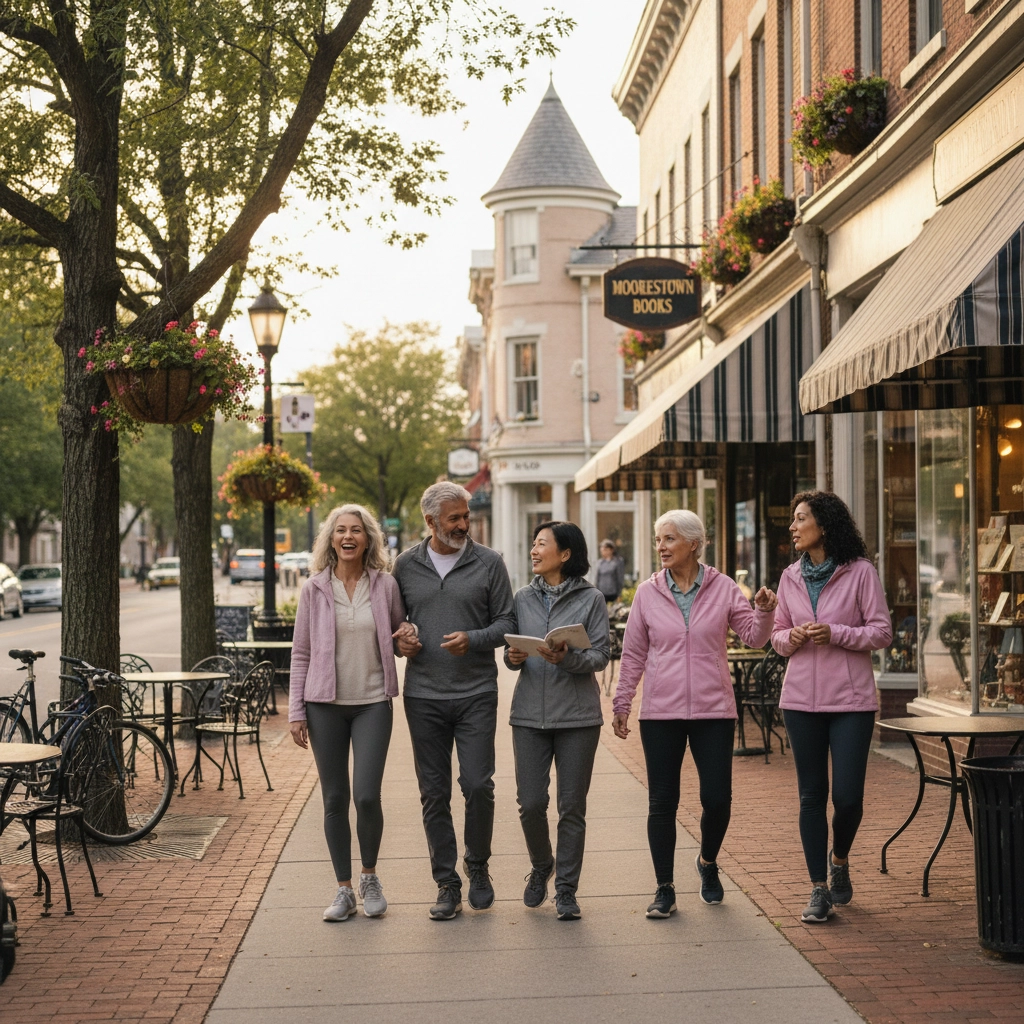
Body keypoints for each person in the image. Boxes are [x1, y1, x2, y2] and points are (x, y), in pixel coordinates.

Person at [612, 510, 778, 919]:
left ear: (693, 543)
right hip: (661, 713)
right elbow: (632, 654)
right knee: (662, 802)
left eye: (669, 539)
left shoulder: (723, 589)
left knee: (717, 799)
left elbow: (756, 639)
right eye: (658, 540)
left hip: (713, 710)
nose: (661, 547)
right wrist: (621, 703)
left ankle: (706, 861)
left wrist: (765, 610)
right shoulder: (648, 594)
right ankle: (664, 888)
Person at [393, 481, 515, 920]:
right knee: (433, 793)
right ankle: (446, 883)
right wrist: (401, 642)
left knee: (478, 785)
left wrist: (475, 639)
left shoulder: (489, 563)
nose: (464, 524)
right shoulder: (404, 566)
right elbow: (392, 626)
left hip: (476, 693)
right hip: (423, 695)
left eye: (465, 516)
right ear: (430, 522)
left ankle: (477, 865)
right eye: (455, 519)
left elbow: (506, 621)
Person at [289, 504, 414, 923]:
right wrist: (296, 711)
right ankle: (343, 889)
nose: (348, 536)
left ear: (368, 539)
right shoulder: (314, 589)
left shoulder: (385, 586)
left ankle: (370, 877)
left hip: (373, 702)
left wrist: (408, 636)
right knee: (335, 798)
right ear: (331, 539)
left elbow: (399, 637)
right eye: (340, 530)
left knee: (365, 794)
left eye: (356, 530)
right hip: (324, 706)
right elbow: (301, 653)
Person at [772, 491, 892, 925]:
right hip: (801, 701)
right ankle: (818, 888)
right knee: (810, 796)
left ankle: (839, 857)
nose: (793, 526)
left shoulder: (860, 573)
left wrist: (836, 633)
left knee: (848, 797)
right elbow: (778, 637)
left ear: (824, 525)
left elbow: (881, 632)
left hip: (851, 702)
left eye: (800, 518)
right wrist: (795, 638)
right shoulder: (789, 577)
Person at [505, 522, 610, 920]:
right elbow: (511, 649)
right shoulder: (522, 598)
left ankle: (566, 890)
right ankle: (541, 864)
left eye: (541, 544)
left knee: (571, 807)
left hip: (578, 718)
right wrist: (513, 657)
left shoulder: (592, 598)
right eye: (533, 544)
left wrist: (566, 658)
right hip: (529, 714)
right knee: (530, 804)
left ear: (564, 554)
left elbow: (600, 656)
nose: (533, 550)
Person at [595, 539, 626, 604]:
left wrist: (619, 593)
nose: (603, 552)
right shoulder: (600, 562)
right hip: (602, 593)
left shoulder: (618, 561)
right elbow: (597, 578)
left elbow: (620, 578)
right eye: (602, 550)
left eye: (605, 550)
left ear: (611, 550)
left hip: (613, 594)